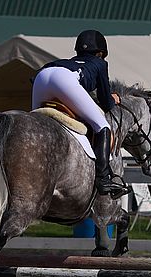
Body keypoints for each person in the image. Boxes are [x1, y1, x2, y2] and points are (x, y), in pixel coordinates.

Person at [31, 29, 130, 199]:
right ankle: (104, 178)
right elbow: (105, 102)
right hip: (64, 80)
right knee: (103, 126)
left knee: (33, 126)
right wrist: (115, 99)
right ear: (100, 53)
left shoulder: (67, 62)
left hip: (42, 75)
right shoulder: (100, 63)